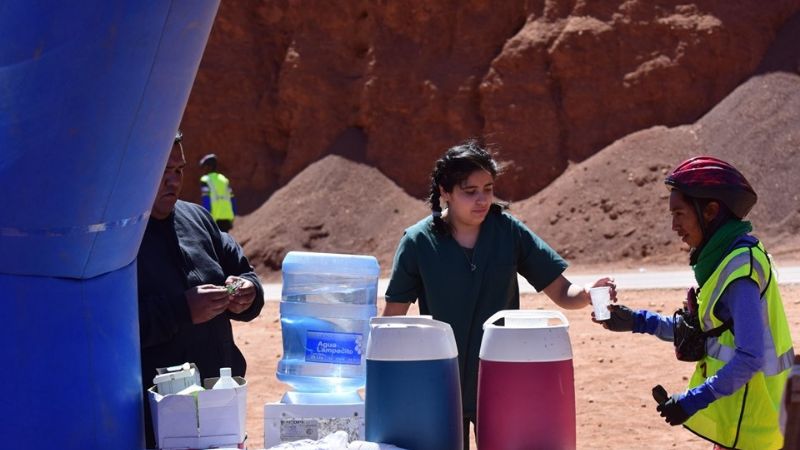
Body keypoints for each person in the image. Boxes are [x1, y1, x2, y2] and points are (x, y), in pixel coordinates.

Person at [382, 140, 614, 449]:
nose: (481, 200)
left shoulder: (508, 231)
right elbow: (392, 321)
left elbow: (561, 292)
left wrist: (587, 293)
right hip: (438, 382)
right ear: (445, 191)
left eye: (488, 189)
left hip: (504, 376)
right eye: (469, 191)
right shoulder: (417, 242)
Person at [596, 156, 794, 449]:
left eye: (679, 213)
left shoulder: (740, 271)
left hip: (755, 426)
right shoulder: (722, 260)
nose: (674, 226)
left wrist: (692, 400)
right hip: (739, 421)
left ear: (711, 211)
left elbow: (750, 356)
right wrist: (637, 321)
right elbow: (704, 332)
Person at [137, 131, 264, 447]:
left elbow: (245, 273)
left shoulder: (198, 218)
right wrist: (182, 310)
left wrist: (247, 292)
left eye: (178, 171)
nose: (173, 182)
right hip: (160, 419)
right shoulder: (118, 238)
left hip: (220, 405)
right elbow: (109, 328)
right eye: (162, 172)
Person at [199, 150, 236, 231]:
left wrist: (206, 218)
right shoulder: (224, 179)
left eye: (204, 166)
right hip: (227, 217)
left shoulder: (205, 180)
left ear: (209, 166)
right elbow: (232, 199)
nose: (203, 169)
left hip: (214, 218)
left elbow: (206, 200)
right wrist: (234, 214)